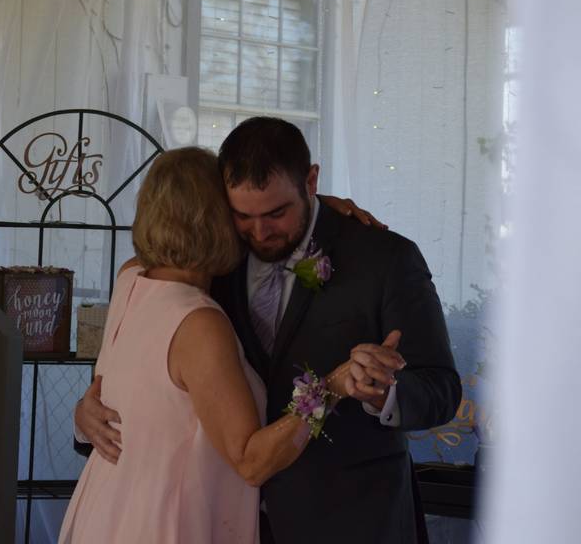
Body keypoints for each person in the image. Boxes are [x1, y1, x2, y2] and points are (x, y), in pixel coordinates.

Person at [75, 117, 462, 543]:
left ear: (311, 181)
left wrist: (385, 393)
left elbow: (440, 389)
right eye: (243, 215)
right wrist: (89, 408)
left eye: (277, 212)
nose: (259, 231)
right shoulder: (211, 261)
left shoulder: (386, 260)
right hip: (226, 522)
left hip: (351, 523)